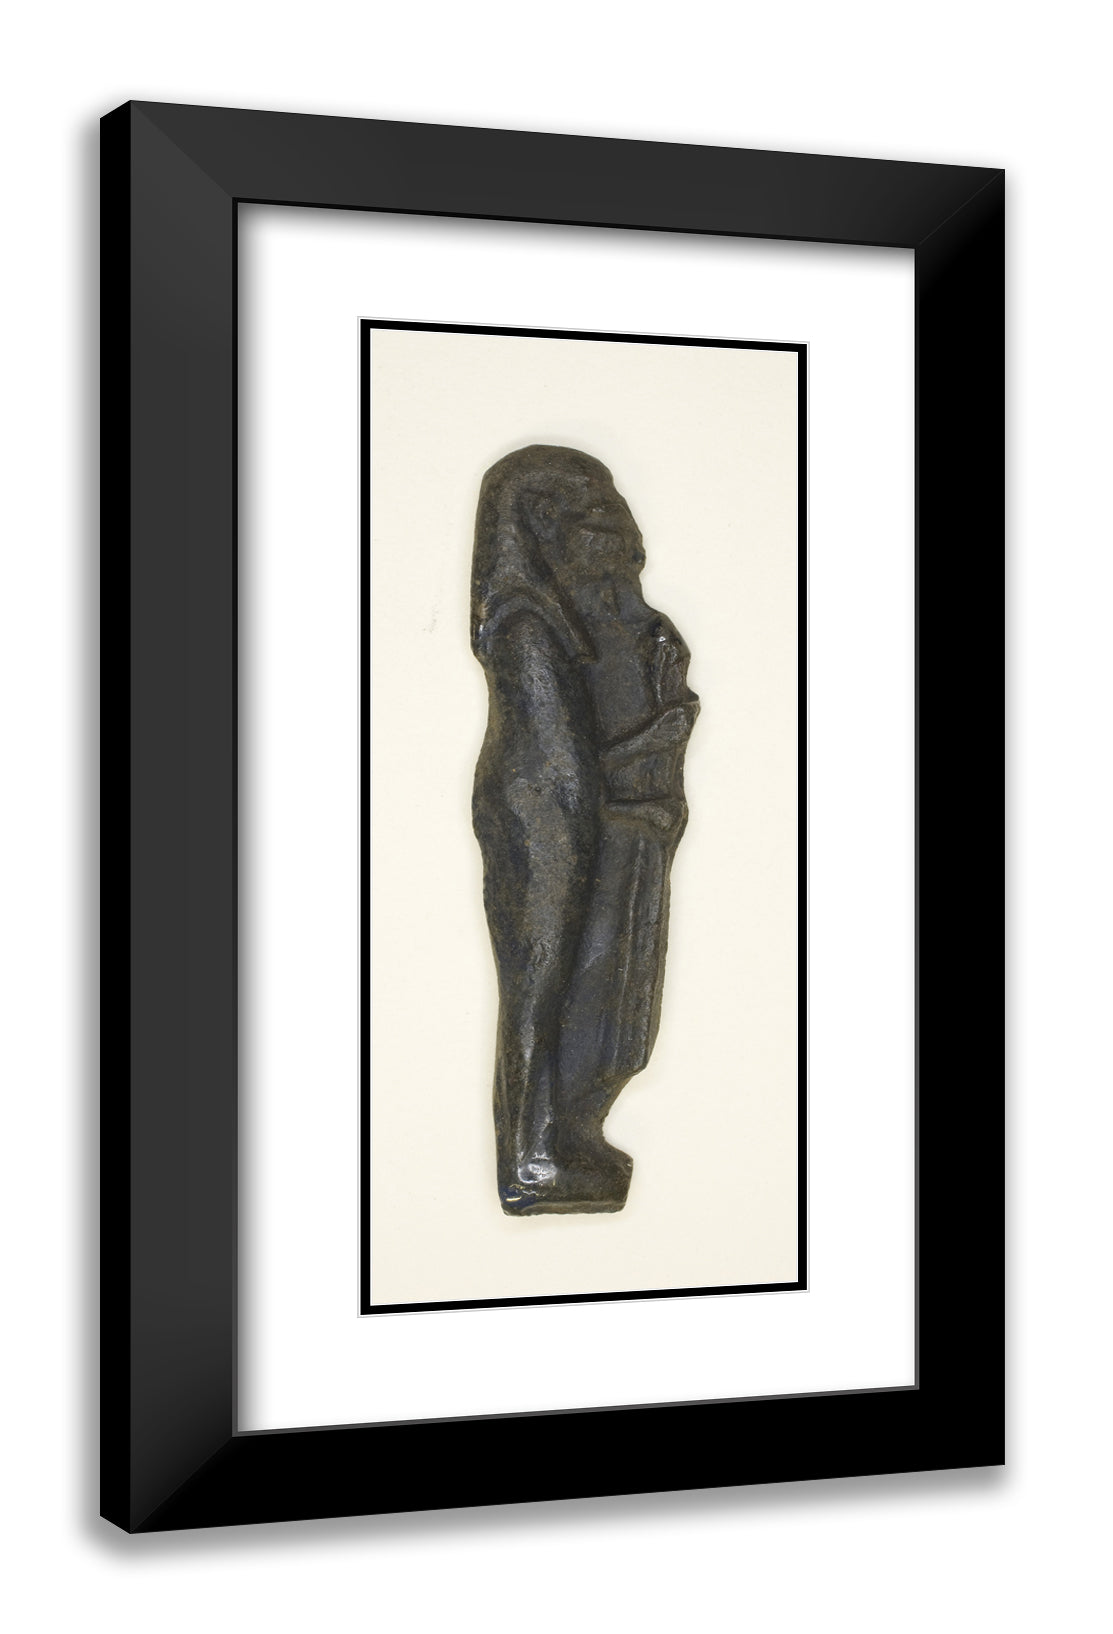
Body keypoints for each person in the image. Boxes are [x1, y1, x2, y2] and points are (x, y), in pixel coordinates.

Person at [471, 445, 699, 1214]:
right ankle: (533, 1150)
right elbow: (554, 757)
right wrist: (643, 756)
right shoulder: (526, 625)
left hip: (582, 807)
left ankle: (561, 1133)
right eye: (595, 512)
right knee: (543, 975)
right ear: (542, 524)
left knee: (581, 974)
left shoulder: (595, 623)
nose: (619, 526)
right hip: (547, 811)